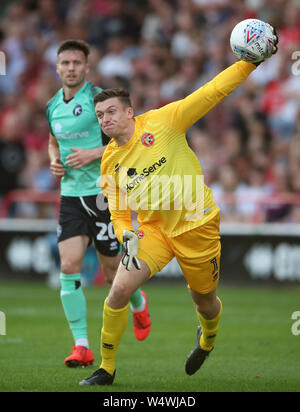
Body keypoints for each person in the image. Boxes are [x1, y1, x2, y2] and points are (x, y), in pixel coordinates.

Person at [80, 28, 278, 385]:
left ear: (130, 112)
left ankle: (207, 338)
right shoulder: (109, 163)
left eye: (111, 111)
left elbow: (211, 92)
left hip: (196, 225)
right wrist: (127, 236)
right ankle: (106, 369)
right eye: (99, 115)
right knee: (120, 289)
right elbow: (119, 212)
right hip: (154, 230)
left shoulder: (164, 121)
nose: (105, 119)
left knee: (205, 302)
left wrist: (250, 63)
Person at [46, 40, 151, 368]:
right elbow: (53, 140)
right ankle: (81, 346)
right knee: (68, 266)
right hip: (71, 197)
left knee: (110, 275)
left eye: (77, 62)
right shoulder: (52, 106)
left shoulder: (100, 100)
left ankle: (137, 301)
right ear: (58, 67)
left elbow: (127, 138)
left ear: (87, 67)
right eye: (66, 62)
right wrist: (54, 161)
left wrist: (92, 154)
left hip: (104, 194)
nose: (71, 67)